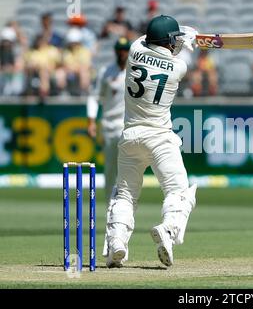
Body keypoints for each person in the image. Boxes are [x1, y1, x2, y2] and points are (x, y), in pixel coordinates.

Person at [104, 15, 197, 268]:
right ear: (168, 40)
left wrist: (178, 36)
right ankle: (168, 230)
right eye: (174, 39)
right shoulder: (179, 67)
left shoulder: (134, 51)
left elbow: (145, 40)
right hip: (159, 138)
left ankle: (117, 243)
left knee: (125, 194)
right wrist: (189, 40)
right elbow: (179, 55)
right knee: (179, 192)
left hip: (130, 137)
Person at [86, 37, 131, 261]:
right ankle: (110, 217)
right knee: (110, 177)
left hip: (129, 129)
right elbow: (95, 97)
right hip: (110, 128)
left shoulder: (134, 71)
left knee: (125, 180)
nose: (122, 53)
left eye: (125, 50)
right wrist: (91, 121)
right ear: (115, 51)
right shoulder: (107, 71)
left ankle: (119, 225)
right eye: (119, 50)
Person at [61, 28, 92, 96]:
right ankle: (62, 92)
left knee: (84, 72)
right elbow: (65, 65)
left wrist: (74, 68)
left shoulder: (85, 51)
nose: (73, 44)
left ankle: (83, 93)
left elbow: (85, 66)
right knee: (60, 73)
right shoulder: (66, 51)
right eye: (72, 42)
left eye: (75, 42)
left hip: (79, 72)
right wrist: (74, 68)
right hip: (69, 72)